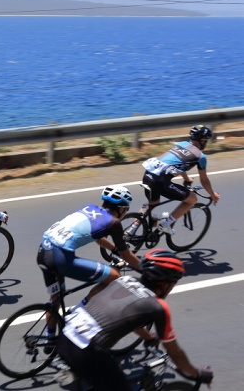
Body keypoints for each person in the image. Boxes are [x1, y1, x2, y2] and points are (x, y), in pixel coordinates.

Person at [57, 249, 214, 391]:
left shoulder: (123, 281)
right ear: (167, 284)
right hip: (86, 353)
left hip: (65, 338)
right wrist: (197, 373)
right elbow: (174, 352)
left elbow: (128, 318)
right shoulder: (158, 307)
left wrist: (149, 337)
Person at [37, 185, 141, 340]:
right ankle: (76, 315)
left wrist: (113, 251)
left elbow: (98, 238)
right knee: (114, 276)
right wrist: (144, 267)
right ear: (121, 208)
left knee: (56, 299)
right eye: (126, 209)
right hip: (61, 258)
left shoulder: (88, 208)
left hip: (43, 251)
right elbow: (126, 254)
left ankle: (50, 340)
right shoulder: (113, 222)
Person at [139, 125, 221, 233]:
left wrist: (186, 179)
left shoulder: (181, 144)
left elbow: (178, 164)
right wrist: (212, 195)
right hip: (159, 181)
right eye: (206, 141)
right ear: (203, 141)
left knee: (153, 204)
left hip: (147, 176)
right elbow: (204, 180)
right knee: (192, 200)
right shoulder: (201, 157)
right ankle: (166, 224)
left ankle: (132, 228)